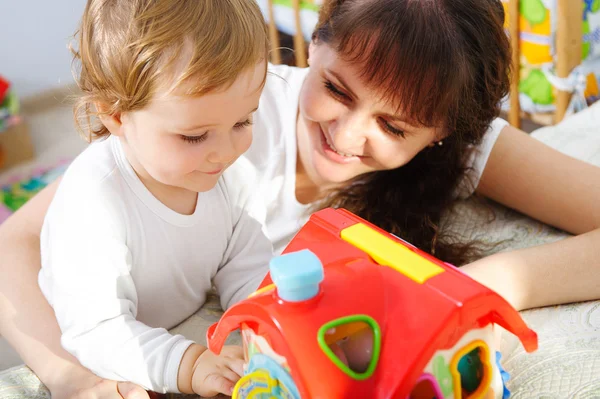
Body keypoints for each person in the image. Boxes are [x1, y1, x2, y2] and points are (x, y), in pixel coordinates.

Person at [2, 0, 599, 398]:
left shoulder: (464, 147)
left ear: (443, 131)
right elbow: (18, 239)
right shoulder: (219, 113)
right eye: (335, 88)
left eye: (394, 128)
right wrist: (69, 376)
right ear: (315, 40)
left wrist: (480, 287)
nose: (345, 134)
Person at [3, 0, 274, 397]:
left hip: (175, 332)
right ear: (116, 115)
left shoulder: (231, 174)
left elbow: (246, 262)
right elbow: (96, 330)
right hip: (89, 355)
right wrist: (189, 363)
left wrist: (262, 322)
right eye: (194, 136)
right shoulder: (93, 201)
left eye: (242, 121)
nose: (225, 151)